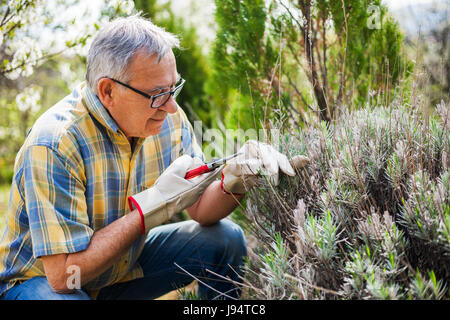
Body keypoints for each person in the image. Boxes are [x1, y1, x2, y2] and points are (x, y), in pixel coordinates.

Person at [0, 15, 306, 300]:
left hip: (119, 273)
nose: (172, 106)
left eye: (174, 88)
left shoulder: (166, 120)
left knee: (225, 240)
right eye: (158, 94)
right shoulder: (55, 143)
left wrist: (235, 182)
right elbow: (64, 276)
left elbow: (201, 209)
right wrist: (151, 208)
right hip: (41, 284)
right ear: (107, 91)